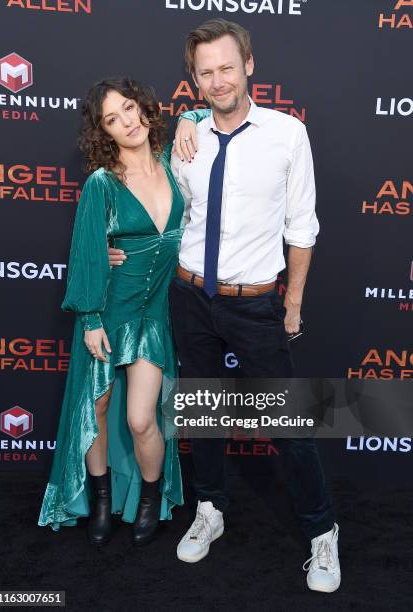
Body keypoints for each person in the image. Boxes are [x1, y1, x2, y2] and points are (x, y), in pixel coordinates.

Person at [108, 19, 341, 592]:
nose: (218, 80)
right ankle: (210, 509)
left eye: (227, 68)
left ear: (249, 66)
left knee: (290, 426)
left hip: (258, 303)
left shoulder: (288, 135)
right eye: (205, 72)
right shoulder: (183, 138)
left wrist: (293, 303)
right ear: (194, 78)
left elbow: (303, 228)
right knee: (203, 416)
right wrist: (112, 251)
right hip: (189, 297)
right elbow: (154, 207)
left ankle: (322, 533)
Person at [38, 77, 196, 547]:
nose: (127, 122)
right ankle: (101, 499)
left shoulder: (174, 167)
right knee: (99, 407)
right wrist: (88, 319)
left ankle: (150, 498)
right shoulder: (102, 184)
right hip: (106, 311)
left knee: (142, 419)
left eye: (129, 108)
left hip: (154, 314)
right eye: (112, 119)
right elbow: (87, 251)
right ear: (103, 132)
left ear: (144, 108)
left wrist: (191, 115)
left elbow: (218, 116)